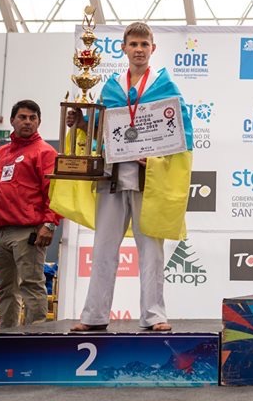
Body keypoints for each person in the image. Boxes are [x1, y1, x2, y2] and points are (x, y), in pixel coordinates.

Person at [51, 22, 193, 332]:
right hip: (111, 178)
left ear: (152, 48)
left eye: (144, 44)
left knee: (151, 252)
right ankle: (93, 316)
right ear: (124, 48)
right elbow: (101, 132)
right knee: (103, 249)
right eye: (134, 44)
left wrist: (155, 158)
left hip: (148, 180)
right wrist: (81, 123)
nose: (139, 49)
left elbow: (182, 136)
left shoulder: (166, 86)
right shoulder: (111, 88)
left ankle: (154, 315)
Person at [0, 99, 59, 329]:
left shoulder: (45, 152)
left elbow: (54, 192)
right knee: (5, 289)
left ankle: (35, 339)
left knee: (31, 285)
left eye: (32, 118)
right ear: (12, 121)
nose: (27, 122)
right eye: (22, 117)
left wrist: (50, 224)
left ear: (38, 122)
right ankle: (7, 338)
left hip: (28, 232)